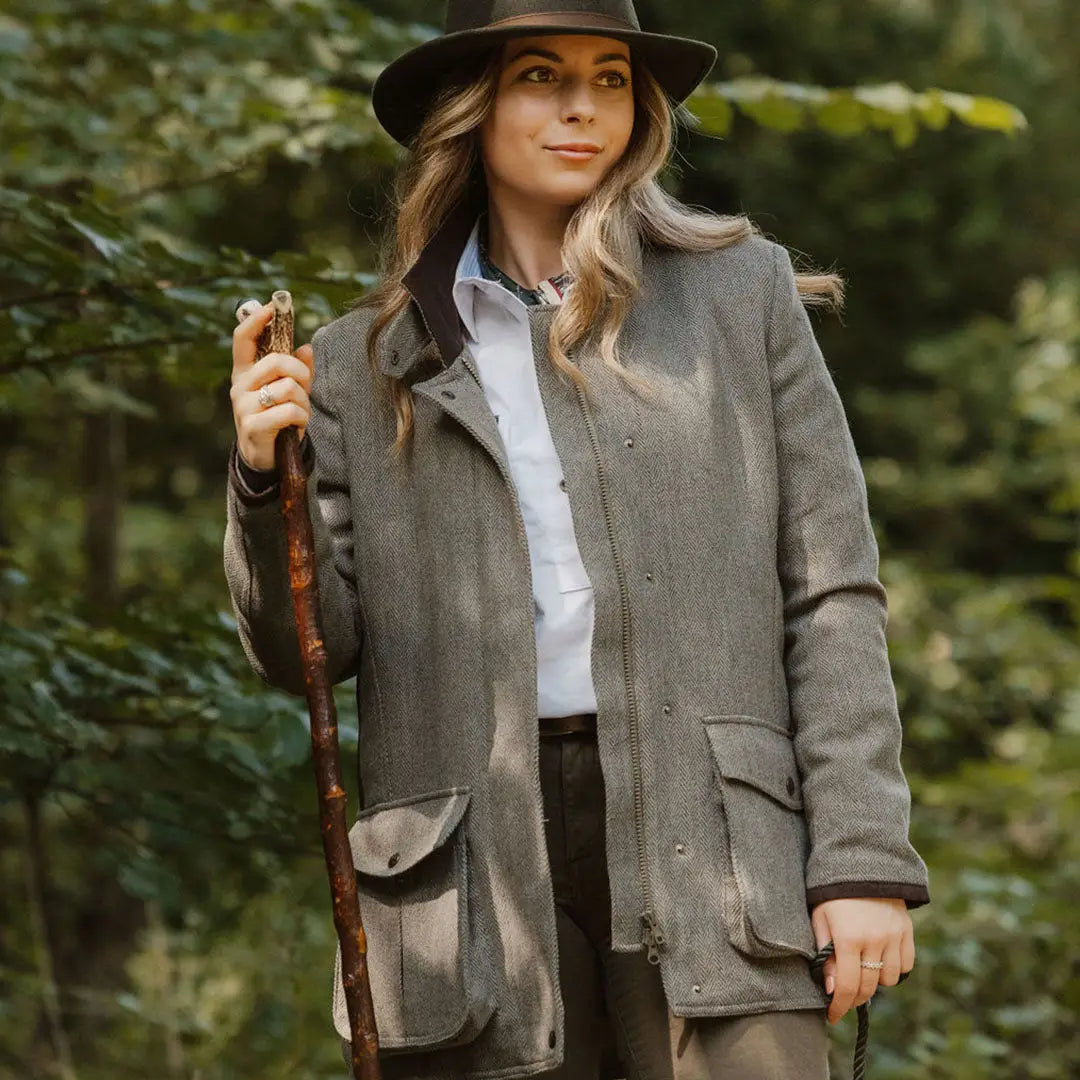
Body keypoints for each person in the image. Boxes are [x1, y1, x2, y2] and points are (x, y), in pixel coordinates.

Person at [223, 2, 931, 1078]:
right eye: (541, 76)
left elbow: (830, 593)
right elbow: (304, 651)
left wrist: (862, 859)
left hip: (721, 848)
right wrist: (258, 479)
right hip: (468, 883)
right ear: (474, 109)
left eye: (610, 80)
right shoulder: (363, 364)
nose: (581, 107)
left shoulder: (741, 297)